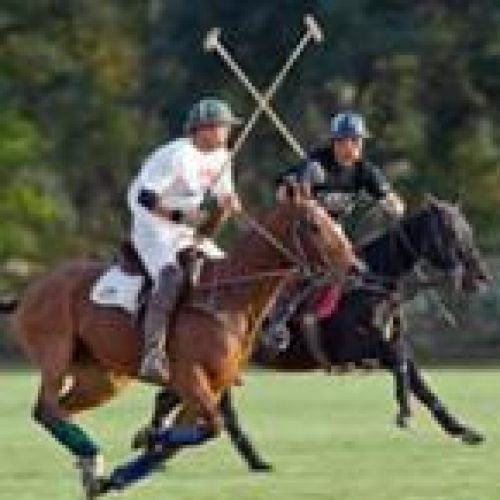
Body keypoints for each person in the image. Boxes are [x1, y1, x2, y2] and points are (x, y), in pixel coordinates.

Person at [264, 111, 405, 352]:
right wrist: (299, 185)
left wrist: (392, 205)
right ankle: (278, 322)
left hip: (334, 233)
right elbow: (282, 194)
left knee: (357, 269)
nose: (357, 146)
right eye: (352, 140)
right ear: (338, 142)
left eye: (359, 141)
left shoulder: (365, 171)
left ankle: (355, 322)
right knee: (301, 272)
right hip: (303, 230)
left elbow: (395, 203)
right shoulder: (315, 164)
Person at [127, 97, 242, 383]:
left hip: (187, 228)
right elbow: (145, 197)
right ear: (202, 128)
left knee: (227, 274)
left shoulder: (223, 157)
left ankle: (224, 353)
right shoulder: (175, 154)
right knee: (171, 277)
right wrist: (180, 217)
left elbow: (219, 206)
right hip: (153, 226)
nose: (227, 132)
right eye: (222, 126)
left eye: (228, 127)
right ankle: (152, 354)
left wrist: (225, 209)